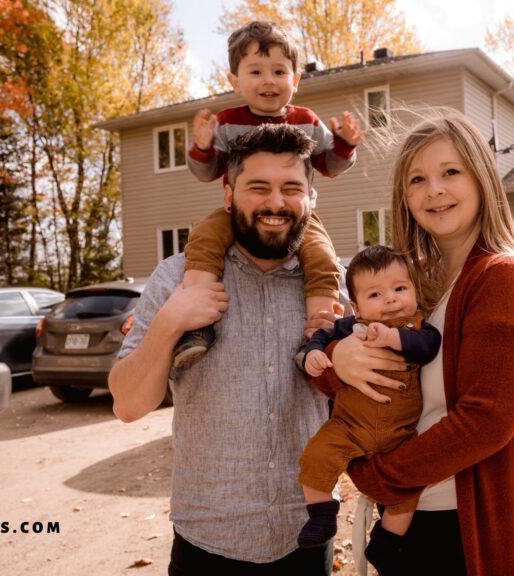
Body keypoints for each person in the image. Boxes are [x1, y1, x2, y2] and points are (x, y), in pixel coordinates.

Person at [315, 112, 514, 575]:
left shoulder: (503, 278)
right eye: (418, 179)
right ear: (405, 196)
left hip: (464, 529)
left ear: (482, 179)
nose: (434, 189)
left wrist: (377, 476)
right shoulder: (416, 284)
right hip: (415, 520)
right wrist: (338, 357)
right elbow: (354, 360)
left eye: (450, 172)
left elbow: (486, 420)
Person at [108, 124, 345, 575]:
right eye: (258, 188)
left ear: (311, 199)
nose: (276, 203)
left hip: (308, 539)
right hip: (207, 542)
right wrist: (171, 320)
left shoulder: (333, 290)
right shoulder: (176, 276)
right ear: (228, 194)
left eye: (291, 188)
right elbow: (128, 405)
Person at [174, 20, 362, 368]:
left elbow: (329, 166)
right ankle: (196, 326)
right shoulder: (228, 122)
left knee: (322, 258)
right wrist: (202, 147)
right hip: (238, 214)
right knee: (203, 240)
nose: (269, 81)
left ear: (296, 79)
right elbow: (207, 172)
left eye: (279, 71)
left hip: (299, 220)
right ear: (235, 81)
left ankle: (318, 336)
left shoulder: (306, 120)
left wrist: (346, 145)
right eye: (256, 71)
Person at [297, 245, 441, 550]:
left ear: (414, 291)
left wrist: (393, 337)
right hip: (349, 426)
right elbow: (322, 335)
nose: (390, 298)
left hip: (400, 435)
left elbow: (429, 346)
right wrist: (313, 354)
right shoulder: (352, 326)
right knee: (316, 456)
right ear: (356, 307)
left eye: (400, 288)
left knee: (407, 492)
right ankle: (321, 514)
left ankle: (386, 541)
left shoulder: (418, 328)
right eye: (375, 295)